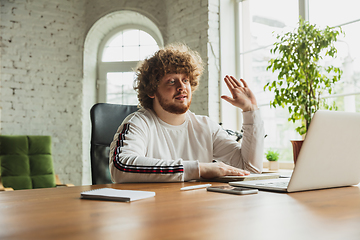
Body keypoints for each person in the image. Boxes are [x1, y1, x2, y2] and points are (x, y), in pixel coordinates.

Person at [109, 43, 264, 183]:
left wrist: (250, 111)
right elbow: (121, 167)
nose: (181, 87)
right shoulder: (138, 123)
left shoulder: (206, 127)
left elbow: (250, 169)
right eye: (171, 81)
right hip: (154, 210)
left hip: (196, 209)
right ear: (151, 90)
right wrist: (200, 169)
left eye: (185, 80)